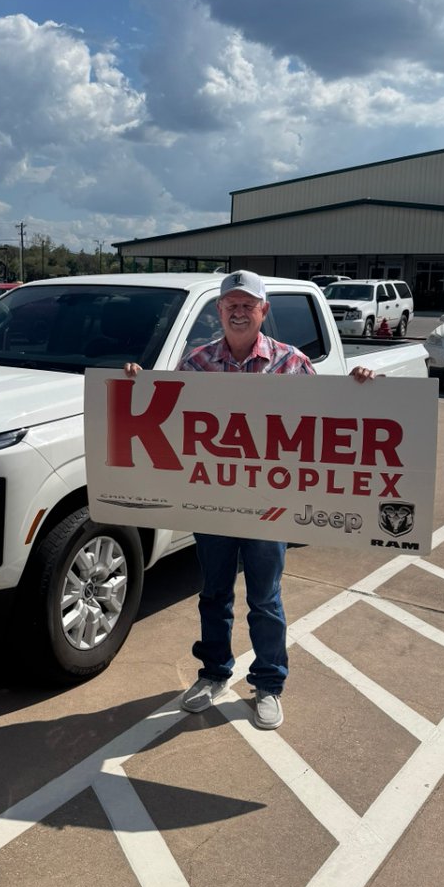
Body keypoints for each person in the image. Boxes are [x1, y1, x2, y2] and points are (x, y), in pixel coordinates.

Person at [124, 270, 374, 730]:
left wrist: (359, 388)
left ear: (263, 311)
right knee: (214, 594)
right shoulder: (196, 364)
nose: (239, 312)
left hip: (269, 506)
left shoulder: (292, 363)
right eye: (230, 305)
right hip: (214, 503)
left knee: (265, 598)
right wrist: (136, 386)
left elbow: (328, 418)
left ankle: (268, 684)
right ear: (219, 311)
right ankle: (214, 673)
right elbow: (167, 416)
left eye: (248, 305)